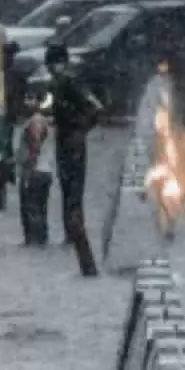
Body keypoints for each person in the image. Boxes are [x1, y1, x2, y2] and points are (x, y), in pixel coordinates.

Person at [45, 44, 102, 276]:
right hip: (64, 140)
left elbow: (96, 108)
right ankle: (72, 236)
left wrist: (81, 130)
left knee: (73, 191)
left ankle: (76, 235)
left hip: (72, 142)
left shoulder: (70, 80)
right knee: (68, 189)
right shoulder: (58, 83)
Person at [16, 87, 56, 246]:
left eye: (31, 98)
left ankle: (35, 242)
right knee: (39, 210)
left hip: (35, 172)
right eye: (26, 98)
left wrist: (28, 170)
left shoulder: (36, 121)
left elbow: (35, 145)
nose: (26, 102)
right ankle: (40, 242)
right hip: (44, 171)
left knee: (32, 210)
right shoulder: (44, 120)